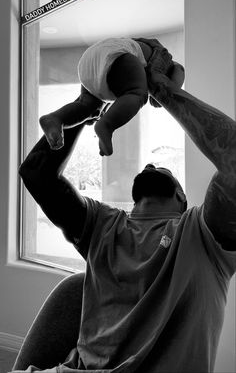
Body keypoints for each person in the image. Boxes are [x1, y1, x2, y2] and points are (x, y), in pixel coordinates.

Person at [15, 68, 236, 373]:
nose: (149, 163)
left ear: (183, 200)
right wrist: (84, 112)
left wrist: (161, 88)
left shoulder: (202, 235)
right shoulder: (103, 225)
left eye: (163, 170)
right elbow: (36, 173)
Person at [39, 37, 184, 156]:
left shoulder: (135, 48)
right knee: (137, 93)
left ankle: (56, 118)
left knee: (87, 105)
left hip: (88, 62)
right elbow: (176, 77)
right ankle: (107, 125)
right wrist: (166, 96)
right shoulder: (165, 59)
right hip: (117, 56)